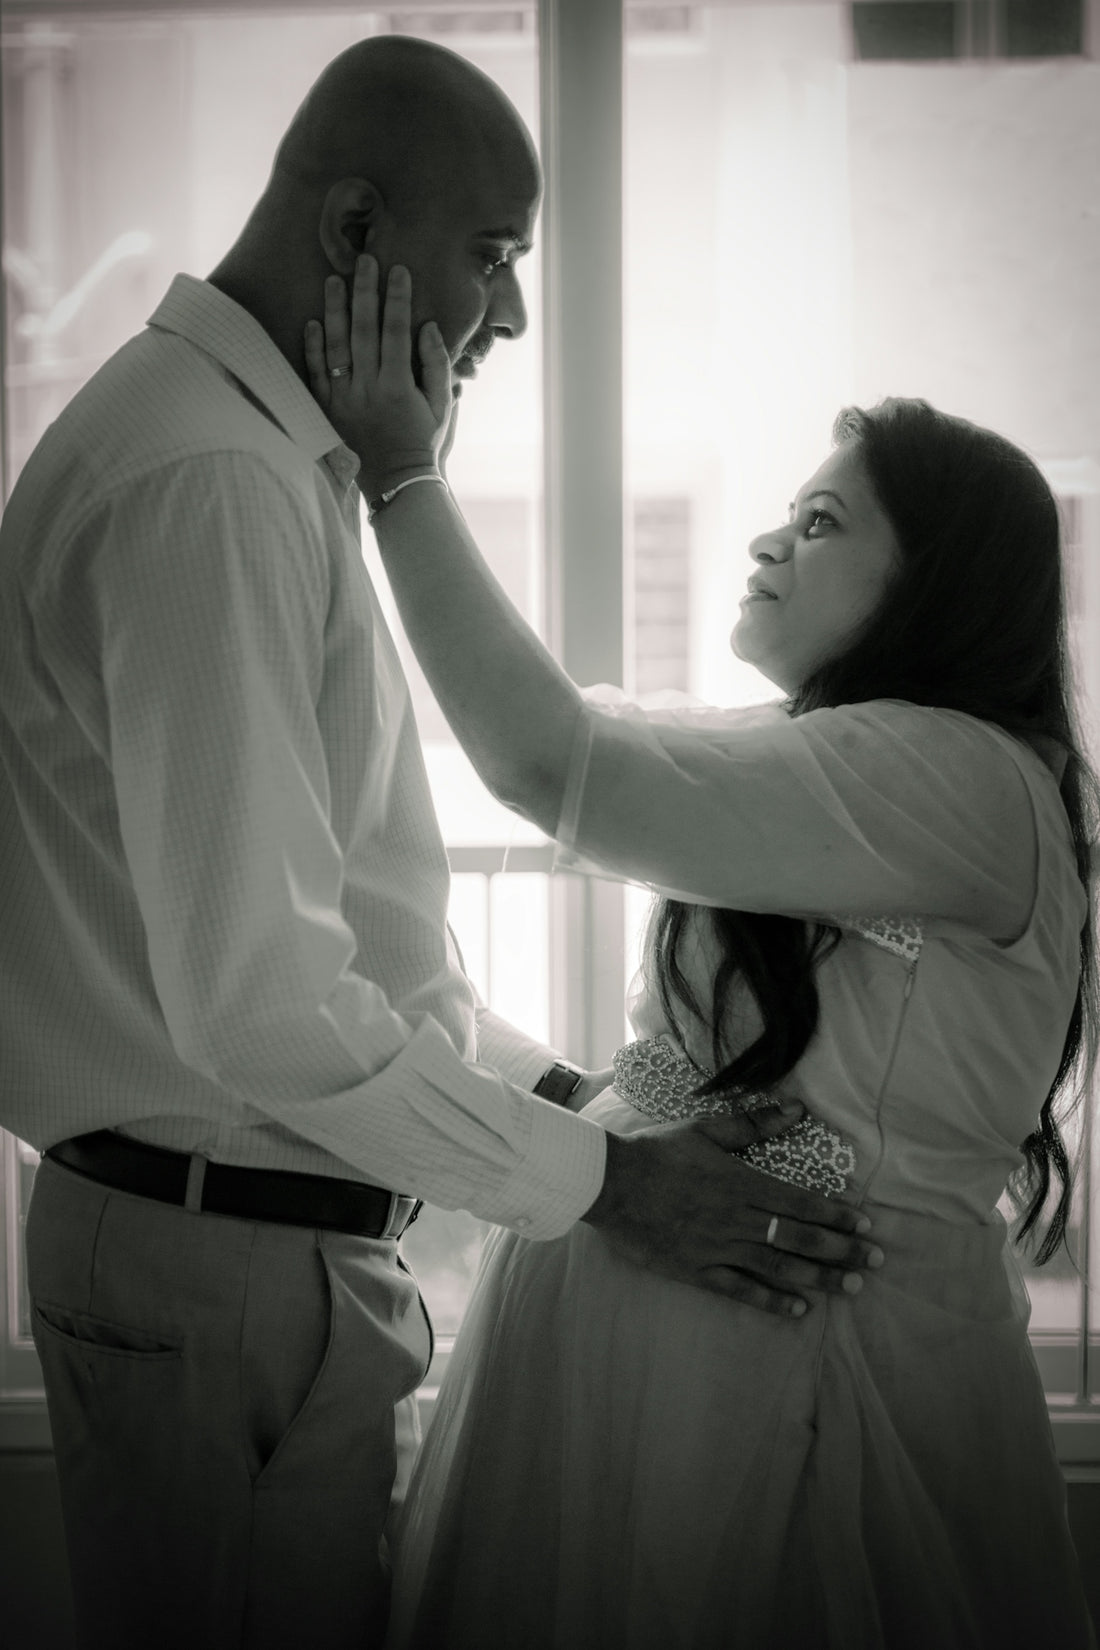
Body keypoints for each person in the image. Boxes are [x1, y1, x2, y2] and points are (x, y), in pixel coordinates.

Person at [0, 36, 879, 1650]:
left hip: (253, 1263)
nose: (515, 320)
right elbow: (264, 1000)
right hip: (221, 1272)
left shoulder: (258, 464)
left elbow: (376, 959)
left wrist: (589, 1108)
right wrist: (613, 1181)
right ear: (351, 234)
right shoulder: (215, 484)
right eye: (493, 260)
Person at [302, 260, 1099, 1649]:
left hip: (817, 1383)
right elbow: (568, 727)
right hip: (645, 1374)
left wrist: (402, 476)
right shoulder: (817, 754)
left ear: (937, 582)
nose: (765, 544)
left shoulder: (962, 776)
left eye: (821, 521)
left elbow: (552, 761)